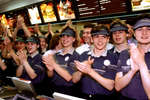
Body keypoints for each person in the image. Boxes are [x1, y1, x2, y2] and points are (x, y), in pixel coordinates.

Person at [72, 25, 117, 100]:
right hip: (85, 96)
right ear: (92, 39)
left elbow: (110, 86)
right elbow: (74, 79)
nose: (100, 40)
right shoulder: (83, 55)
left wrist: (89, 71)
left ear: (108, 39)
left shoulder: (113, 57)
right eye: (96, 37)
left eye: (103, 37)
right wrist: (81, 71)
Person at [115, 15, 150, 100]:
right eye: (140, 29)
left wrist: (141, 63)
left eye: (148, 29)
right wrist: (132, 71)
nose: (144, 33)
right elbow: (117, 86)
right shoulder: (125, 54)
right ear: (134, 33)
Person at [43, 24, 80, 96]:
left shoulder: (76, 56)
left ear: (73, 39)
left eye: (68, 36)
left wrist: (53, 64)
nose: (65, 39)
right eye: (63, 36)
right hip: (54, 89)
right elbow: (50, 75)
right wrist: (50, 70)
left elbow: (69, 77)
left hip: (68, 91)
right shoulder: (55, 55)